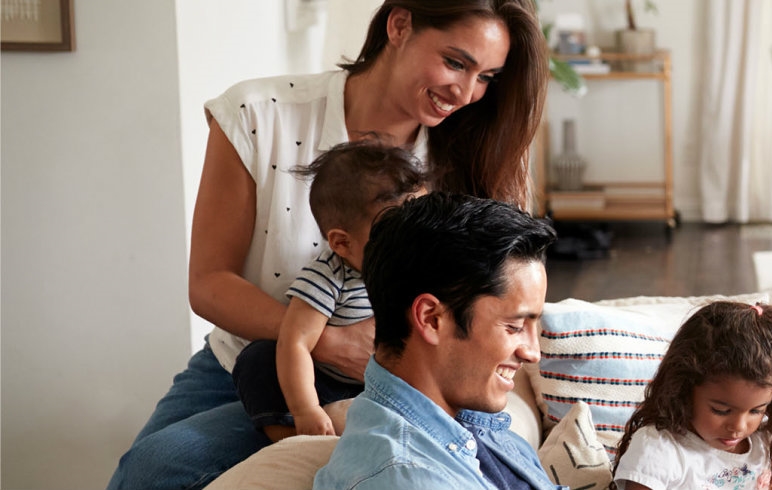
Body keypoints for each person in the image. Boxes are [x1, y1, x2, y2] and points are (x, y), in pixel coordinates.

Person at [108, 1, 549, 488]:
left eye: (486, 76)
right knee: (144, 471)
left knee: (158, 467)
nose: (466, 93)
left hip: (390, 380)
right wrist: (324, 340)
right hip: (248, 358)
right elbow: (210, 283)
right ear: (399, 25)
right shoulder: (259, 115)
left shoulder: (470, 156)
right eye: (455, 62)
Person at [314, 192, 562, 490]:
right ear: (431, 319)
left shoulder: (472, 425)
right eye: (514, 326)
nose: (533, 353)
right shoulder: (407, 477)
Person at [230, 141, 425, 442]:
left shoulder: (420, 269)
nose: (413, 244)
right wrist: (306, 408)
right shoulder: (329, 276)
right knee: (259, 358)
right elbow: (295, 342)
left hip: (387, 384)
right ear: (342, 243)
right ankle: (290, 437)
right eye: (394, 233)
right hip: (326, 384)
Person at [611, 302, 772, 490]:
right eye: (721, 410)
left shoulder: (764, 443)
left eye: (756, 410)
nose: (739, 427)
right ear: (683, 389)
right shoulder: (659, 449)